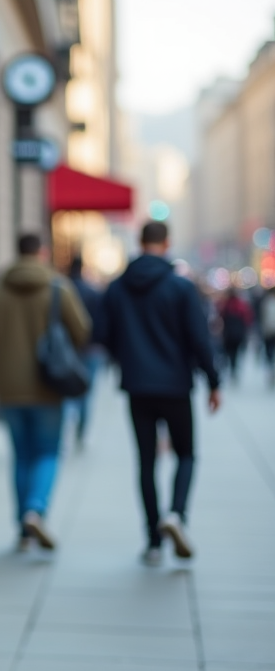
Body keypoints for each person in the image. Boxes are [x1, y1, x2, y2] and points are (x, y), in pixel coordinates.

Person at [100, 221, 221, 566]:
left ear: (140, 242)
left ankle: (153, 539)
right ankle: (177, 515)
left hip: (137, 386)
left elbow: (104, 335)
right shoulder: (180, 287)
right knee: (186, 454)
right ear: (167, 244)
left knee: (146, 462)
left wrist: (128, 355)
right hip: (176, 385)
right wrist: (214, 382)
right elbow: (200, 339)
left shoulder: (119, 287)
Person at [0, 234, 91, 553]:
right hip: (48, 388)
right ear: (41, 252)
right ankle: (35, 510)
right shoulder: (57, 288)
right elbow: (82, 330)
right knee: (48, 452)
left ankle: (23, 530)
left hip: (9, 390)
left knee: (22, 456)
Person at [66, 254, 105, 448]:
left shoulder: (62, 290)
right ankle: (81, 431)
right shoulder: (92, 292)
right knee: (86, 391)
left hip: (68, 349)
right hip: (90, 349)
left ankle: (66, 430)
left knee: (66, 391)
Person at [217, 287, 253, 382]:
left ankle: (232, 367)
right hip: (238, 333)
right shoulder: (240, 304)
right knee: (235, 352)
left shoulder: (225, 305)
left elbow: (220, 317)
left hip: (228, 333)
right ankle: (233, 367)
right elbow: (247, 318)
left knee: (230, 351)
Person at [260, 286, 275, 387]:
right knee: (269, 352)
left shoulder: (265, 302)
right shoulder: (266, 302)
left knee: (270, 352)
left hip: (268, 331)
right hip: (269, 332)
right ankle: (271, 371)